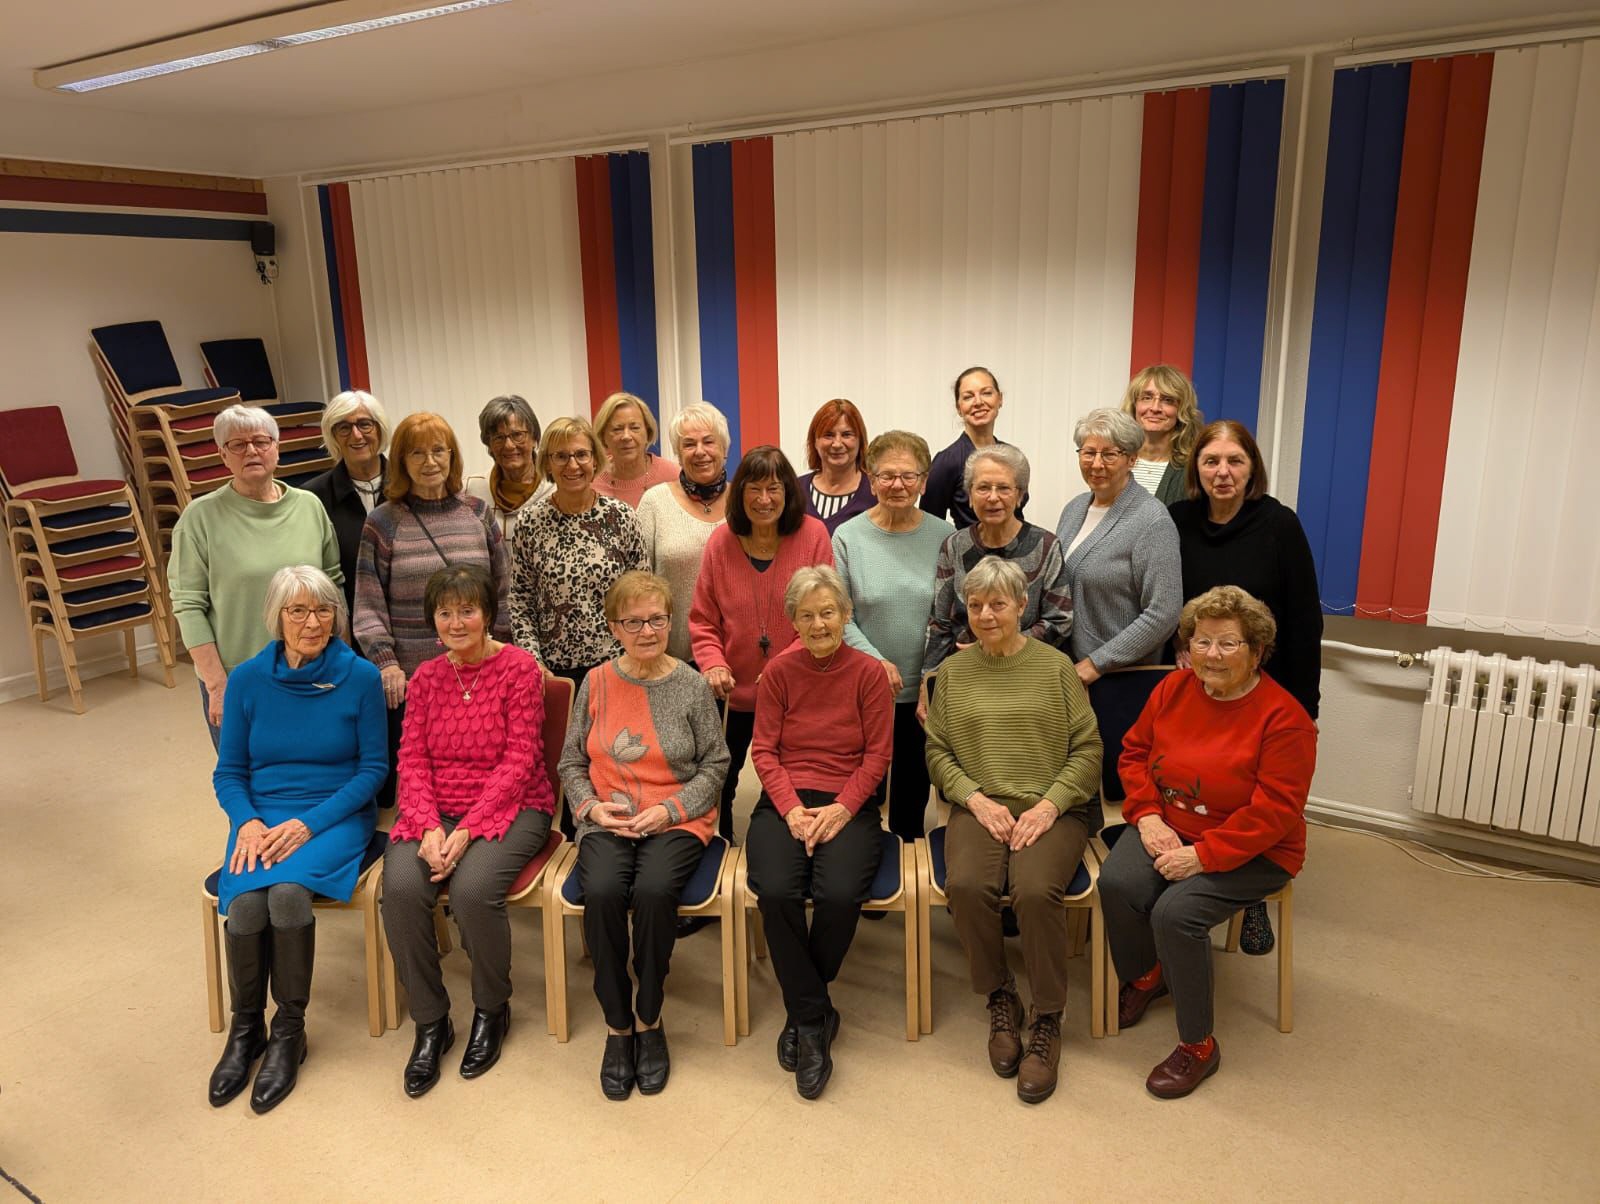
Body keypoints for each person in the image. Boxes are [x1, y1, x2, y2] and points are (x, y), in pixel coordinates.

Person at [1100, 585, 1316, 1099]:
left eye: (1228, 643)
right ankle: (1149, 975)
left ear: (1256, 651)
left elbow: (1275, 812)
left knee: (1175, 914)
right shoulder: (1172, 690)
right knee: (1118, 883)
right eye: (1202, 642)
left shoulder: (1284, 720)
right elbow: (1134, 754)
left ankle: (1198, 1046)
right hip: (1168, 825)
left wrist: (1202, 856)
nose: (1212, 655)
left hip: (1256, 848)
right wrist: (1147, 817)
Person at [924, 556, 1102, 1105]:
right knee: (967, 885)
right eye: (975, 605)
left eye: (998, 604)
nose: (985, 615)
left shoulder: (1056, 669)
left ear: (1023, 606)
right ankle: (1000, 995)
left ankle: (1048, 1016)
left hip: (1053, 807)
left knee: (1034, 889)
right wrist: (974, 799)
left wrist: (1049, 806)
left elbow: (1088, 750)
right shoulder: (954, 673)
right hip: (982, 806)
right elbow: (938, 752)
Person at [208, 565, 386, 1114]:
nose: (312, 622)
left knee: (285, 895)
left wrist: (309, 824)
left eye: (323, 609)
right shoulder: (246, 680)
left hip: (334, 814)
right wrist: (247, 822)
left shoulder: (359, 677)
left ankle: (289, 1030)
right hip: (262, 816)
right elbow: (229, 771)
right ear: (277, 617)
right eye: (298, 611)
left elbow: (373, 770)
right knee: (245, 906)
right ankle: (246, 1030)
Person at [381, 565, 554, 1098]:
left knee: (473, 891)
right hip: (435, 811)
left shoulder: (519, 669)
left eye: (467, 610)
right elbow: (411, 759)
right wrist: (429, 826)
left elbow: (521, 759)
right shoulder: (426, 678)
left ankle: (491, 1008)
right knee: (400, 889)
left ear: (488, 614)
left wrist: (469, 829)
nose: (456, 622)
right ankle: (431, 1020)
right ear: (432, 619)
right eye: (445, 612)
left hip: (515, 805)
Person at [557, 572, 730, 1100]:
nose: (647, 631)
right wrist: (591, 808)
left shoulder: (692, 685)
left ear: (670, 621)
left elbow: (716, 764)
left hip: (675, 817)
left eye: (656, 619)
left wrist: (669, 810)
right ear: (614, 628)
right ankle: (617, 1024)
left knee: (655, 892)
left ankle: (649, 1016)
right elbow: (571, 762)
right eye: (633, 622)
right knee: (603, 890)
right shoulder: (596, 682)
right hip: (608, 816)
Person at [1168, 420, 1323, 956]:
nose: (1223, 472)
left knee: (1253, 792)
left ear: (1252, 467)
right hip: (1199, 679)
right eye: (1211, 461)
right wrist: (1179, 646)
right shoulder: (1179, 520)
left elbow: (1304, 620)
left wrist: (1304, 707)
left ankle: (1249, 893)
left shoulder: (1279, 524)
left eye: (1235, 460)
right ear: (1196, 469)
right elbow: (1166, 598)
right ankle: (1188, 872)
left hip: (1266, 687)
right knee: (1203, 784)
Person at [747, 566, 893, 1099]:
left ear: (846, 615)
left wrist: (842, 808)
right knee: (776, 890)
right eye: (806, 616)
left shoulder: (869, 673)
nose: (818, 624)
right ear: (793, 621)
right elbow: (764, 751)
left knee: (838, 892)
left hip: (848, 800)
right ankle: (813, 1017)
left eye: (828, 613)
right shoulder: (779, 672)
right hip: (785, 800)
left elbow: (878, 755)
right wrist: (790, 809)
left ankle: (801, 1010)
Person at [354, 412, 510, 806]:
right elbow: (368, 603)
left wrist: (505, 654)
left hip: (481, 673)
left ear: (452, 456)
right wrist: (386, 663)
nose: (430, 462)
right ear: (401, 461)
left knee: (482, 776)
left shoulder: (478, 512)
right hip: (415, 682)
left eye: (439, 451)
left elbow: (503, 590)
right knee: (427, 782)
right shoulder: (382, 522)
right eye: (417, 453)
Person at [168, 403, 342, 748]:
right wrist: (217, 685)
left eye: (261, 441)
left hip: (310, 670)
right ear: (223, 455)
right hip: (237, 677)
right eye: (237, 444)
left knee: (314, 766)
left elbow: (333, 587)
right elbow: (188, 606)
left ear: (276, 448)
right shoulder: (199, 518)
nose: (251, 450)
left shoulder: (309, 506)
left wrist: (339, 661)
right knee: (248, 773)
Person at [689, 446, 833, 844]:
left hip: (797, 692)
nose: (764, 499)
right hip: (731, 693)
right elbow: (703, 618)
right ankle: (719, 848)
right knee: (720, 780)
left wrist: (785, 664)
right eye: (754, 489)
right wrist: (713, 663)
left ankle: (790, 848)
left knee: (794, 782)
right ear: (740, 494)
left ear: (788, 492)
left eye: (774, 488)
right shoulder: (721, 541)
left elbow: (823, 616)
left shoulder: (813, 536)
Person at [833, 431, 953, 839]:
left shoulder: (945, 536)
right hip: (865, 687)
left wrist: (929, 679)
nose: (897, 485)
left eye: (908, 476)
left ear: (924, 481)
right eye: (886, 476)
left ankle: (906, 863)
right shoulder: (848, 537)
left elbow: (949, 614)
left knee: (910, 800)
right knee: (863, 797)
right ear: (871, 480)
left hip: (925, 694)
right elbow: (839, 615)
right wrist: (876, 662)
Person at [920, 444, 1070, 715]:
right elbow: (940, 623)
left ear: (1020, 495)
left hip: (1028, 679)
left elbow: (1060, 620)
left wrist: (999, 648)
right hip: (966, 680)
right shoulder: (954, 546)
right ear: (969, 495)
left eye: (1003, 488)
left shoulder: (1046, 545)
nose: (992, 498)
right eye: (983, 488)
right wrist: (927, 683)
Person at [508, 415, 649, 687]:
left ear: (595, 460)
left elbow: (642, 594)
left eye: (581, 454)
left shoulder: (621, 517)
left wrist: (637, 654)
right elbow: (521, 602)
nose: (572, 465)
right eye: (561, 456)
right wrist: (533, 661)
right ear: (547, 463)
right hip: (555, 673)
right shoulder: (529, 523)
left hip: (619, 666)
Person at [635, 402, 731, 661]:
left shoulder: (744, 502)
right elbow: (638, 584)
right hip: (671, 658)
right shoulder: (655, 503)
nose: (700, 451)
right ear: (678, 453)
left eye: (708, 441)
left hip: (735, 656)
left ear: (724, 449)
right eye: (689, 444)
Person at [304, 389, 391, 613]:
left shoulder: (410, 487)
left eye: (365, 424)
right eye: (344, 427)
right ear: (332, 436)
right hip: (347, 622)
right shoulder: (313, 497)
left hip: (410, 621)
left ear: (380, 429)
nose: (356, 435)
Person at [922, 366, 1026, 527]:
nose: (978, 402)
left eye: (986, 393)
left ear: (1000, 399)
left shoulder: (1013, 457)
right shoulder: (947, 462)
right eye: (968, 397)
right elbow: (929, 525)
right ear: (958, 408)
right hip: (969, 543)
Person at [465, 394, 552, 544]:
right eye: (499, 438)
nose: (509, 445)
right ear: (489, 445)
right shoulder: (470, 489)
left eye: (517, 435)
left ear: (534, 438)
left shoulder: (556, 489)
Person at [1121, 365, 1204, 504]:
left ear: (1182, 410)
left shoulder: (1194, 470)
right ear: (1134, 405)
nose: (1155, 408)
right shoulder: (1115, 461)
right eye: (1147, 397)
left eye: (1167, 400)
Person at [796, 398, 875, 534]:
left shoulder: (875, 493)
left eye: (846, 435)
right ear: (814, 441)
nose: (837, 444)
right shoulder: (795, 490)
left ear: (860, 441)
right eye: (828, 435)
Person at [592, 391, 679, 507]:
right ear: (603, 436)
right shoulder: (591, 480)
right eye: (617, 429)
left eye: (635, 428)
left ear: (648, 432)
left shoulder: (674, 476)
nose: (626, 436)